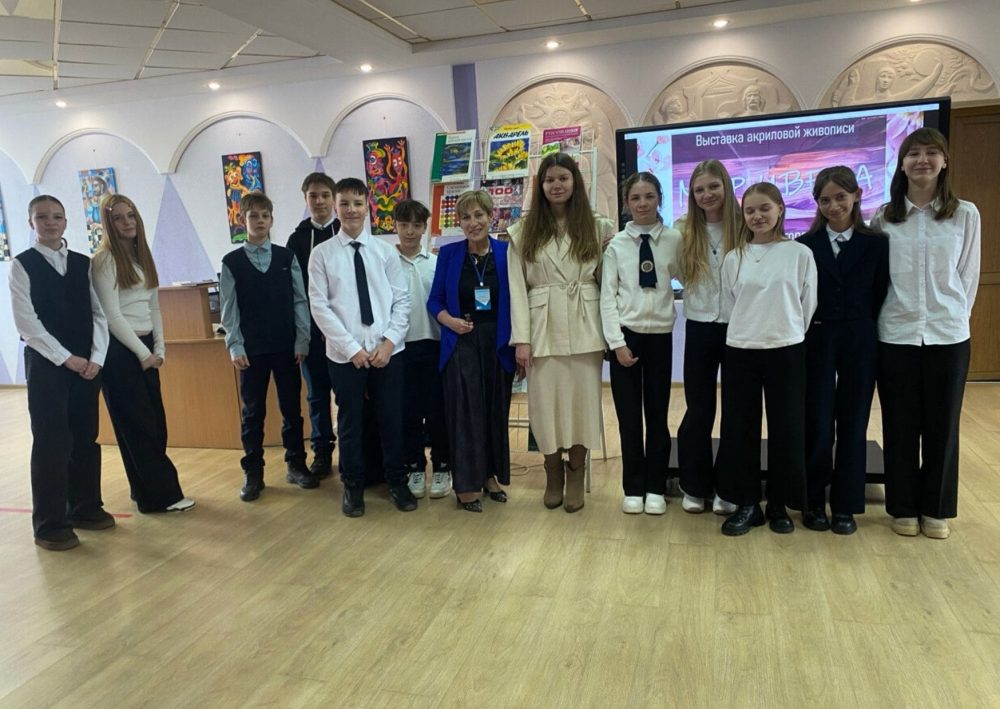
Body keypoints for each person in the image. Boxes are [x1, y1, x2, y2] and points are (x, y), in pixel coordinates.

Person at [872, 127, 980, 540]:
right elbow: (879, 279)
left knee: (942, 426)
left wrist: (953, 318)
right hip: (896, 334)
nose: (922, 160)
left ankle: (936, 509)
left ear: (944, 161)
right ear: (901, 164)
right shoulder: (885, 217)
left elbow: (968, 277)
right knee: (900, 425)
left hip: (947, 335)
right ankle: (902, 507)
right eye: (913, 153)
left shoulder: (965, 214)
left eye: (931, 152)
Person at [509, 152, 612, 513]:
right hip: (542, 327)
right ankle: (552, 472)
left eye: (563, 178)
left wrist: (613, 334)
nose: (557, 185)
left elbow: (608, 284)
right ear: (540, 185)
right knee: (544, 407)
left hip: (586, 324)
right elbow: (517, 289)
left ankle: (576, 472)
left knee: (583, 404)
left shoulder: (598, 228)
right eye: (550, 179)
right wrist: (522, 340)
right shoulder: (522, 231)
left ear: (575, 182)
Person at [307, 177, 416, 517]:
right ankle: (353, 486)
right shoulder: (321, 254)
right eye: (344, 204)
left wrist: (389, 343)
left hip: (387, 353)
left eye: (357, 203)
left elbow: (402, 301)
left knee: (391, 419)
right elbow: (319, 307)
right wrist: (351, 348)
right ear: (335, 208)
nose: (351, 210)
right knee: (350, 424)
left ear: (367, 207)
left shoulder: (385, 252)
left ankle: (396, 481)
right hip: (345, 356)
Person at [9, 195, 111, 550]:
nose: (50, 222)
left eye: (56, 216)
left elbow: (98, 314)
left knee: (85, 437)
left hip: (87, 365)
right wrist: (67, 358)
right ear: (31, 223)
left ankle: (85, 507)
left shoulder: (83, 264)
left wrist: (97, 357)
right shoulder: (22, 265)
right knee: (52, 442)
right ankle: (50, 524)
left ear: (66, 222)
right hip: (47, 366)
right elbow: (28, 324)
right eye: (42, 217)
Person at [716, 183, 817, 535]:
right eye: (750, 211)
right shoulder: (735, 258)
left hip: (786, 349)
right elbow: (729, 305)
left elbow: (807, 303)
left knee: (786, 428)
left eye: (764, 208)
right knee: (739, 428)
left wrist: (785, 332)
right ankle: (747, 504)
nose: (757, 216)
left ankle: (779, 504)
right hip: (741, 349)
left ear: (780, 209)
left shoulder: (799, 254)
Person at [798, 167, 889, 535]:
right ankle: (813, 500)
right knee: (817, 420)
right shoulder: (806, 245)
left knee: (853, 421)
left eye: (840, 197)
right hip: (818, 338)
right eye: (825, 200)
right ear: (817, 203)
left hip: (859, 338)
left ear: (856, 196)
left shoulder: (876, 243)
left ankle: (846, 505)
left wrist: (859, 322)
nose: (833, 205)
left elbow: (880, 292)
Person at [92, 194, 195, 514]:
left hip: (145, 348)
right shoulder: (104, 261)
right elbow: (111, 316)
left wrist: (158, 347)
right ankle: (162, 497)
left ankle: (144, 491)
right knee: (138, 426)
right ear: (108, 223)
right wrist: (141, 353)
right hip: (121, 353)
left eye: (131, 216)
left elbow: (153, 307)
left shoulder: (140, 258)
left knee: (154, 424)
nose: (127, 223)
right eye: (119, 218)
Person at [221, 191, 313, 502]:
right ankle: (254, 472)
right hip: (251, 350)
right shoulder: (232, 262)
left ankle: (296, 464)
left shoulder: (287, 258)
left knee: (292, 410)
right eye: (253, 216)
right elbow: (229, 309)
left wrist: (302, 338)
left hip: (286, 346)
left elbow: (300, 300)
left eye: (264, 216)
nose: (259, 221)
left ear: (272, 220)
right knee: (253, 413)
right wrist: (235, 345)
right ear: (242, 220)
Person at [427, 190, 515, 513]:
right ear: (459, 222)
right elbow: (434, 301)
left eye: (479, 215)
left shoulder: (507, 252)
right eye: (466, 217)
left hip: (497, 344)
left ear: (491, 217)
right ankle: (466, 485)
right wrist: (449, 321)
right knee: (466, 415)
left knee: (494, 411)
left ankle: (490, 477)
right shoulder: (449, 254)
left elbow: (518, 299)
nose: (473, 222)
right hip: (461, 342)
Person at [601, 172, 681, 515]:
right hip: (626, 337)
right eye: (635, 198)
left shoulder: (674, 239)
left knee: (658, 416)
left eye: (649, 196)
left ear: (659, 198)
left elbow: (688, 276)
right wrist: (616, 343)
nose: (643, 203)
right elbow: (607, 297)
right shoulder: (617, 245)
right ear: (626, 203)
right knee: (629, 418)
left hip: (660, 337)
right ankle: (633, 486)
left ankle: (655, 487)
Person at [674, 160, 744, 515]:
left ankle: (729, 487)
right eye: (699, 189)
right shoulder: (683, 229)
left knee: (736, 410)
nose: (706, 195)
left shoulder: (745, 226)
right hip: (700, 325)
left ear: (726, 186)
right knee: (699, 408)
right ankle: (694, 484)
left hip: (739, 328)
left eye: (713, 186)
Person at [394, 199, 451, 499]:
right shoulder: (386, 262)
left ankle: (442, 465)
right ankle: (414, 466)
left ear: (425, 228)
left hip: (434, 344)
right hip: (400, 348)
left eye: (416, 225)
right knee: (409, 412)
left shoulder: (436, 262)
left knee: (438, 411)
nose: (410, 231)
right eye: (404, 225)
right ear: (395, 226)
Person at [286, 172, 340, 479]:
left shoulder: (345, 232)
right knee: (317, 396)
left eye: (324, 195)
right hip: (312, 333)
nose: (319, 201)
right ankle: (322, 452)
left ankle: (355, 451)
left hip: (345, 333)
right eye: (313, 196)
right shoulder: (296, 240)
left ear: (333, 198)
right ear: (305, 199)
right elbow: (294, 292)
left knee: (348, 394)